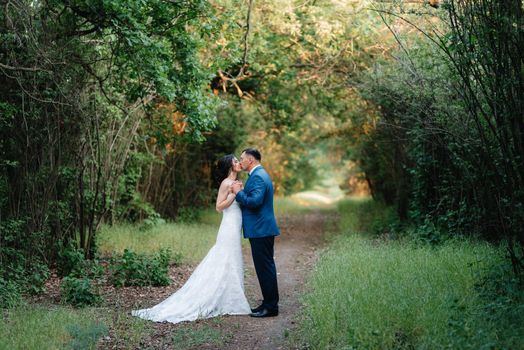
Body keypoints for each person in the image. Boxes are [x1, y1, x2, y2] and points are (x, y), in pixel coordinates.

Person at [131, 155, 250, 323]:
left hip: (236, 224)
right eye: (236, 161)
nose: (239, 163)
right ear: (230, 167)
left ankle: (230, 297)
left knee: (232, 258)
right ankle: (224, 299)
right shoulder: (226, 183)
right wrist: (233, 195)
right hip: (228, 226)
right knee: (226, 257)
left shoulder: (238, 182)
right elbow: (218, 207)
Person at [232, 148, 280, 318]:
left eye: (242, 158)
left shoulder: (258, 176)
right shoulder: (258, 175)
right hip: (261, 229)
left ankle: (271, 307)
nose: (241, 161)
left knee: (265, 268)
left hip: (261, 230)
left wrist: (239, 193)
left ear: (251, 160)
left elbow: (255, 201)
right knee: (264, 268)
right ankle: (268, 303)